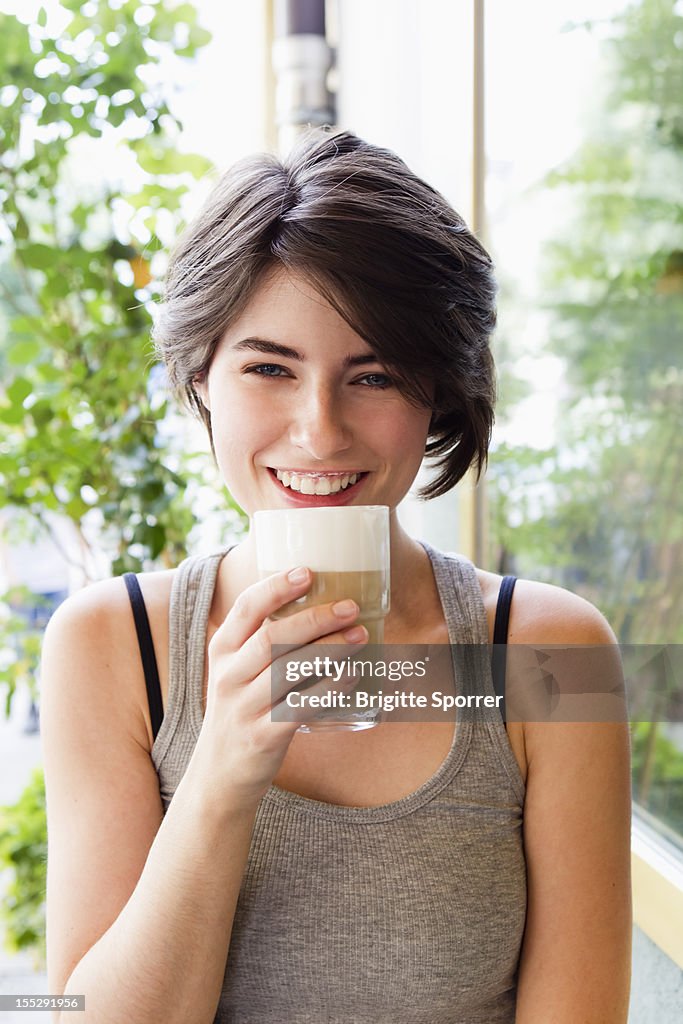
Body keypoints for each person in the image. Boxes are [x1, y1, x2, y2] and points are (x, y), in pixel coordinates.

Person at [40, 127, 632, 1023]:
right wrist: (221, 773)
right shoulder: (110, 645)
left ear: (437, 395)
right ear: (203, 379)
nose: (319, 432)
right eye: (269, 368)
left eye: (375, 376)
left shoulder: (551, 652)